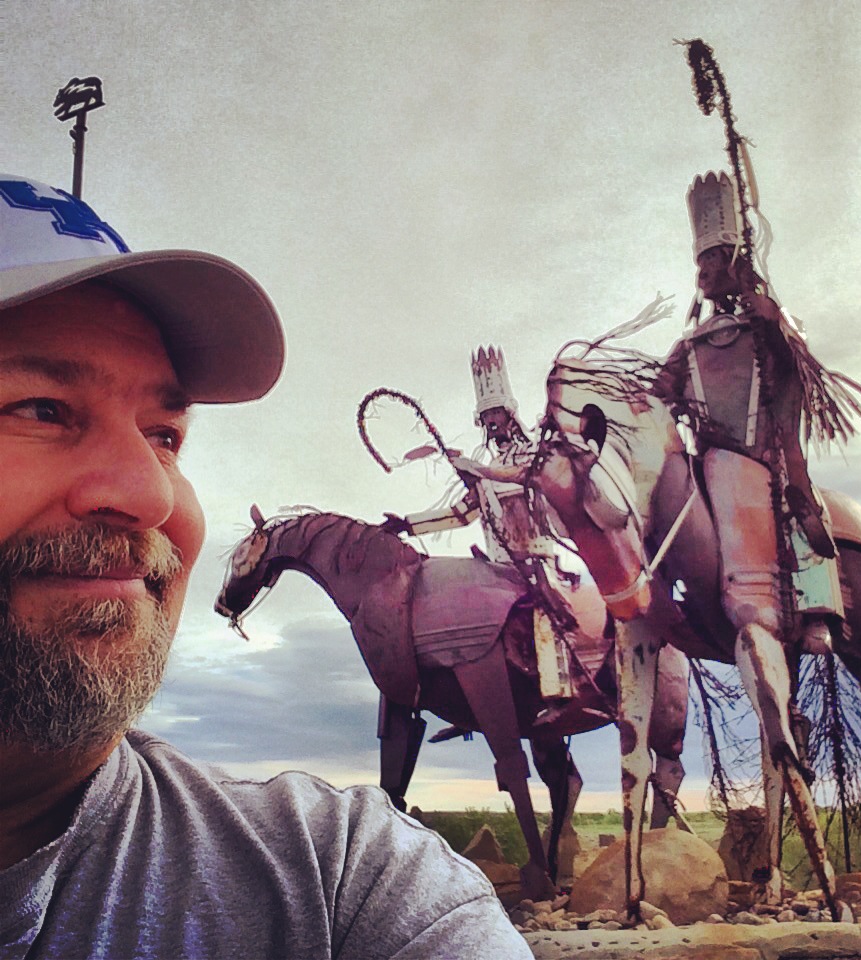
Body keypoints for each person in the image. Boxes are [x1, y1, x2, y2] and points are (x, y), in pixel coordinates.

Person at [0, 175, 533, 959]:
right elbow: (448, 512)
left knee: (539, 604)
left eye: (165, 434)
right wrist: (409, 521)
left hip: (523, 559)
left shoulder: (345, 879)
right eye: (40, 409)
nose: (151, 493)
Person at [656, 171, 861, 659]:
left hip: (765, 452)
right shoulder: (688, 343)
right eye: (700, 262)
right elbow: (661, 392)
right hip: (707, 457)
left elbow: (799, 367)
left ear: (735, 263)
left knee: (800, 506)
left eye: (713, 259)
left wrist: (771, 322)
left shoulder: (771, 320)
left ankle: (817, 608)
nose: (704, 272)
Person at [383, 346, 576, 702]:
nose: (490, 422)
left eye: (495, 414)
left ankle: (559, 687)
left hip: (533, 557)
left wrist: (480, 472)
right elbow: (462, 514)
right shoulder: (487, 465)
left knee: (543, 608)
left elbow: (523, 478)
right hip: (497, 563)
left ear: (509, 414)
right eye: (485, 415)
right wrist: (408, 525)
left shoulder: (532, 454)